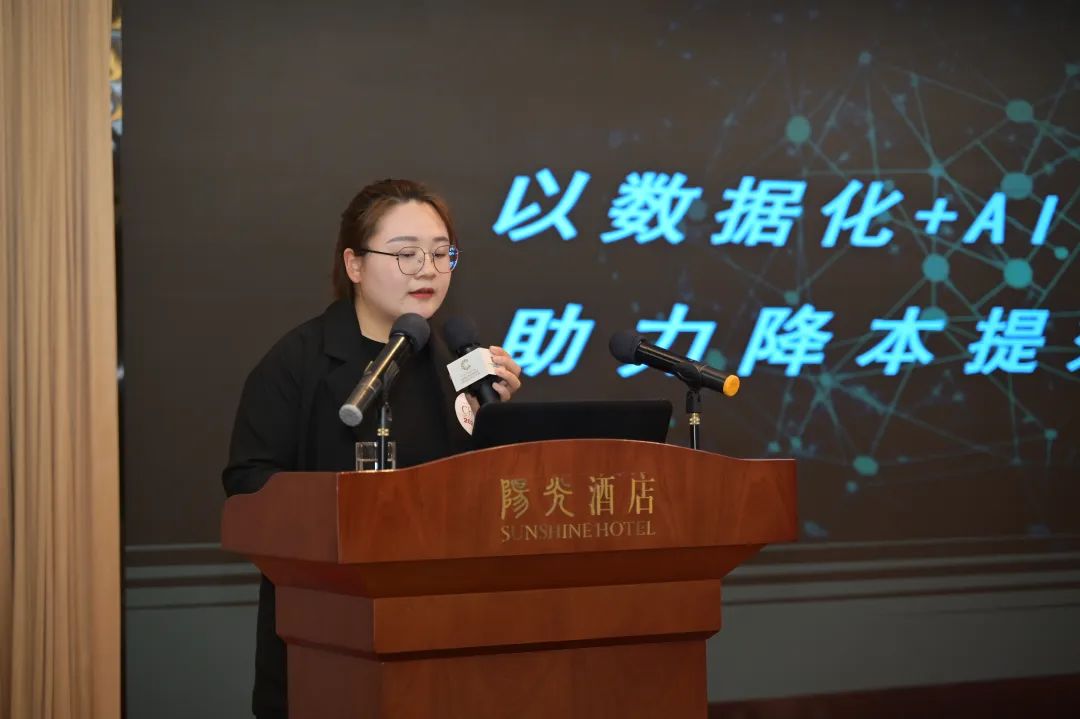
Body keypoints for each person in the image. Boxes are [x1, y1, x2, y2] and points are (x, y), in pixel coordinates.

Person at [221, 178, 523, 718]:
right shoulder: (298, 363)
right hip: (327, 635)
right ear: (355, 265)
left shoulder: (457, 365)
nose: (428, 270)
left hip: (446, 635)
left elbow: (483, 498)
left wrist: (496, 422)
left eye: (441, 254)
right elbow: (248, 487)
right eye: (407, 254)